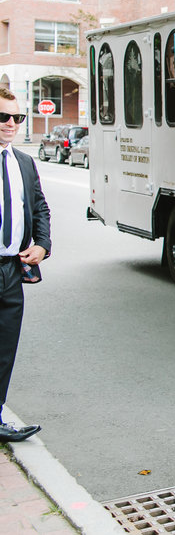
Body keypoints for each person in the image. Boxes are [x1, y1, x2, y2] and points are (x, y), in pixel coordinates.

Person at [0, 88, 50, 443]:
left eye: (16, 117)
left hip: (12, 270)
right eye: (3, 117)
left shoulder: (23, 162)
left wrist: (43, 246)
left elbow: (40, 207)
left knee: (5, 348)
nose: (11, 124)